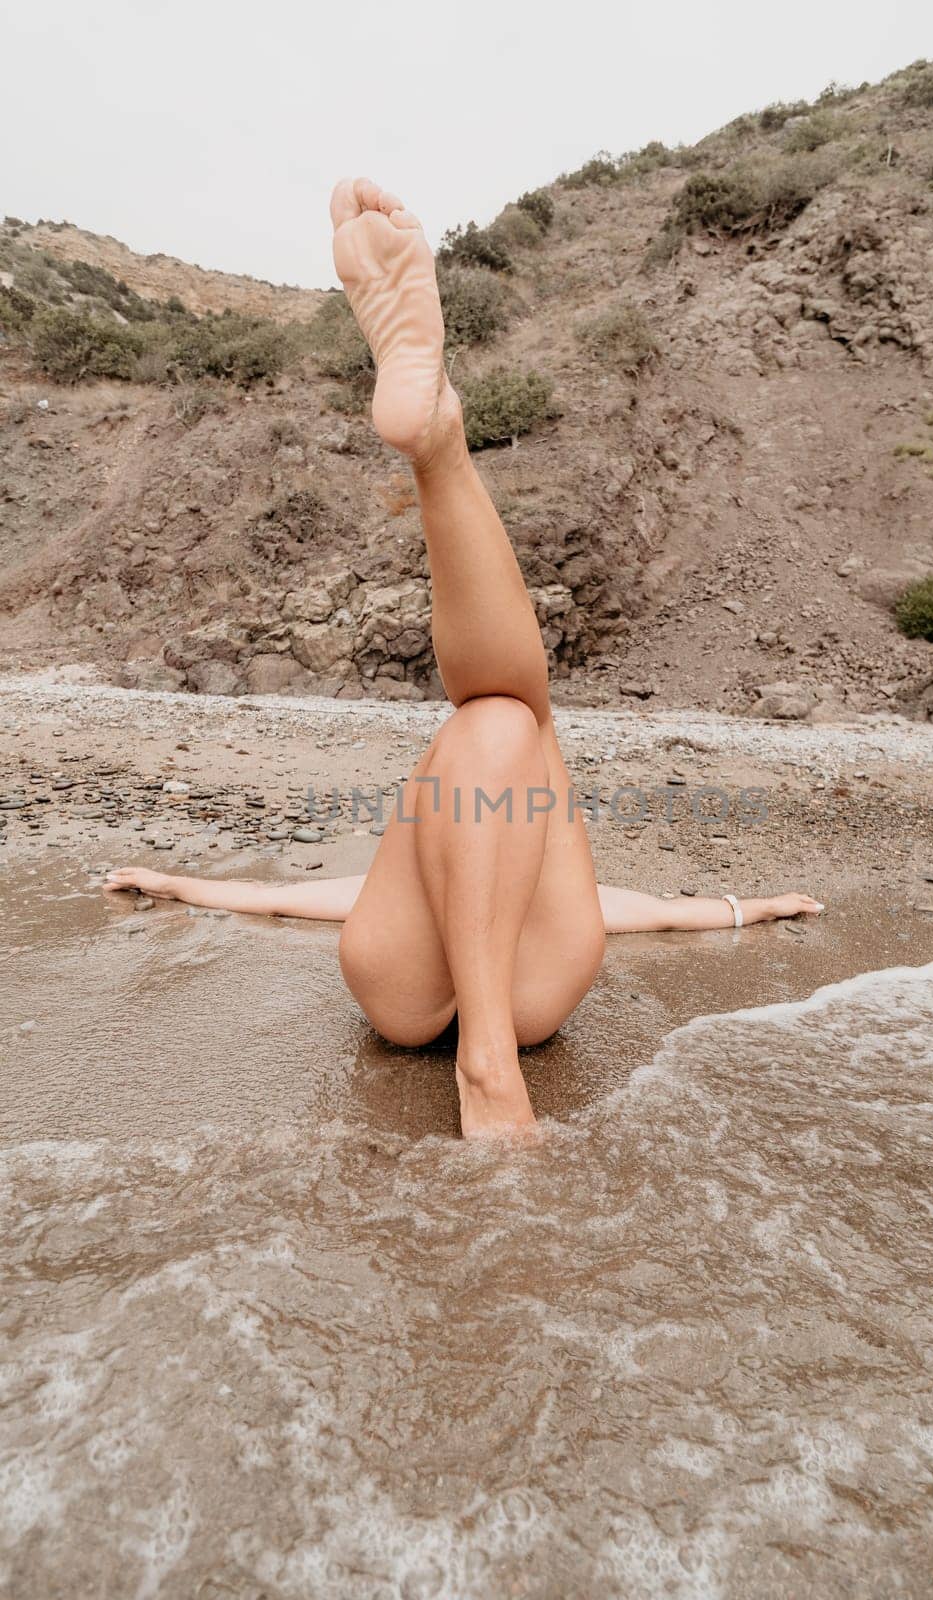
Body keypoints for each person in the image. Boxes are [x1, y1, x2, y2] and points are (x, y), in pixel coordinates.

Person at [104, 178, 823, 1139]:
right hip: (529, 1004)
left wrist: (183, 886)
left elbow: (296, 902)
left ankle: (439, 447)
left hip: (398, 996)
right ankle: (489, 1063)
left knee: (495, 718)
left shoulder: (389, 887)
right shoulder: (571, 888)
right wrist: (751, 908)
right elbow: (649, 913)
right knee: (513, 721)